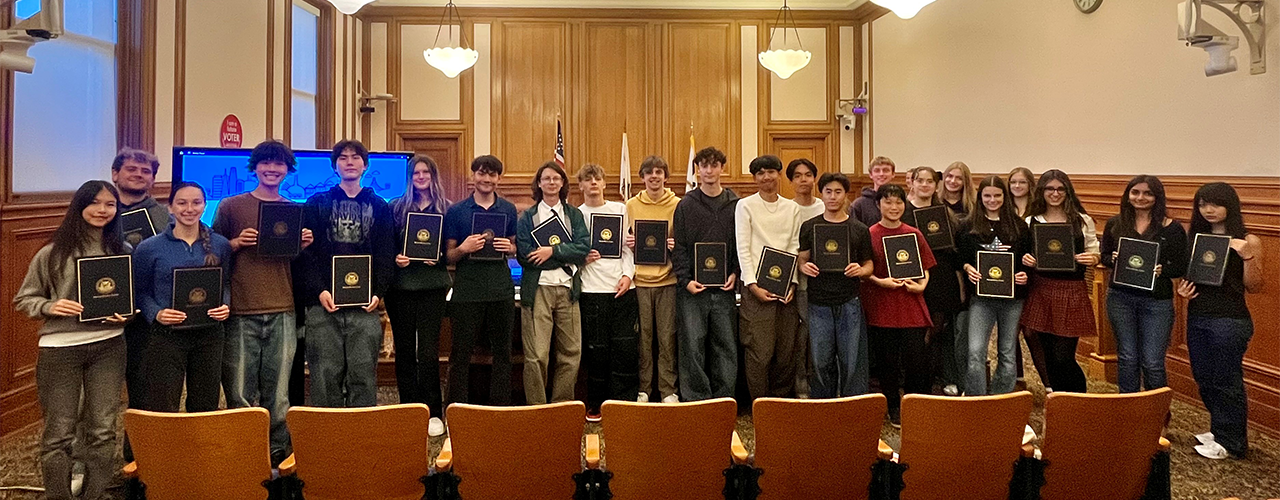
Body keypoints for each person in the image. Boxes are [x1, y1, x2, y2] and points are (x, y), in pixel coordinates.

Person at [14, 181, 132, 500]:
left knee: (103, 428)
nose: (102, 210)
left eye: (110, 204)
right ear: (80, 206)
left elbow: (128, 302)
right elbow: (24, 299)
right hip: (60, 349)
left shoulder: (123, 251)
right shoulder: (51, 253)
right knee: (59, 432)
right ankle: (59, 495)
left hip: (110, 345)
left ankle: (94, 494)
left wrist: (127, 314)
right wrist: (50, 305)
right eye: (95, 203)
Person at [213, 139, 313, 463]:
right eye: (266, 163)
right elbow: (212, 253)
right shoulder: (230, 206)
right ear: (255, 167)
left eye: (279, 164)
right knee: (240, 392)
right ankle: (243, 454)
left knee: (279, 394)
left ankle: (277, 456)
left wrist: (303, 244)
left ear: (287, 170)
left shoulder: (293, 208)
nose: (272, 169)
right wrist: (235, 242)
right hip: (241, 309)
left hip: (283, 308)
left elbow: (292, 260)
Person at [298, 140, 396, 408]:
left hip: (364, 308)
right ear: (335, 165)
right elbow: (306, 255)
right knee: (324, 376)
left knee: (363, 377)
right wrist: (320, 291)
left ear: (365, 165)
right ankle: (328, 441)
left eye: (355, 157)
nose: (349, 162)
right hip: (324, 305)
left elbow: (387, 255)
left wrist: (378, 293)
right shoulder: (316, 204)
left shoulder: (380, 206)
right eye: (343, 158)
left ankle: (361, 441)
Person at [1177, 182, 1264, 460]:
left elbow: (1256, 286)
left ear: (1230, 205)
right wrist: (1183, 291)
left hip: (1230, 320)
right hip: (1199, 315)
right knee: (1204, 378)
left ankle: (1233, 443)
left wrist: (1246, 256)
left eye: (1215, 203)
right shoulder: (1196, 239)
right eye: (1203, 204)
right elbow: (1188, 278)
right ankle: (1220, 430)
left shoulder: (1249, 240)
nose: (1209, 210)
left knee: (1227, 381)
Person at [133, 182, 233, 414]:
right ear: (170, 208)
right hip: (167, 336)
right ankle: (165, 451)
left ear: (205, 206)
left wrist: (225, 304)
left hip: (209, 333)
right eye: (182, 203)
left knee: (205, 404)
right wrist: (156, 313)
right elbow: (140, 292)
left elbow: (225, 282)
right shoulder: (149, 248)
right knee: (162, 403)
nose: (189, 209)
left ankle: (198, 450)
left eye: (196, 203)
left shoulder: (221, 245)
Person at [444, 155, 518, 406]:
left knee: (503, 355)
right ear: (473, 176)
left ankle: (500, 408)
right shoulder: (457, 211)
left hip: (501, 292)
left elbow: (515, 248)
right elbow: (448, 256)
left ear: (499, 178)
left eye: (492, 174)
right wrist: (464, 248)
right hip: (467, 293)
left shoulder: (508, 209)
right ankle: (456, 409)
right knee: (460, 355)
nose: (487, 179)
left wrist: (511, 247)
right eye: (482, 173)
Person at [1102, 175, 1187, 394]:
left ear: (1157, 197)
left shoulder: (1172, 229)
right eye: (1135, 192)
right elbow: (1104, 256)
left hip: (1157, 302)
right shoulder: (1115, 223)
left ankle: (1156, 415)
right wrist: (1112, 258)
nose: (1141, 197)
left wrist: (1163, 270)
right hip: (1120, 298)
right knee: (1127, 358)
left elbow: (1181, 266)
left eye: (1148, 193)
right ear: (1128, 195)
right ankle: (1129, 411)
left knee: (1153, 363)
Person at [110, 148, 169, 461]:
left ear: (153, 179)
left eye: (145, 171)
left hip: (146, 320)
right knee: (95, 401)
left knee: (143, 393)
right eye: (131, 169)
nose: (137, 175)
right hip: (100, 317)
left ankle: (137, 463)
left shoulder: (164, 216)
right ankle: (89, 469)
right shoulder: (98, 209)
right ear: (115, 174)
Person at [387, 155, 451, 436]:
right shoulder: (395, 207)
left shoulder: (447, 209)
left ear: (433, 176)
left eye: (426, 172)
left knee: (427, 352)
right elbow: (385, 246)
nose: (421, 176)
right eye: (416, 172)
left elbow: (449, 250)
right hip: (401, 287)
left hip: (433, 287)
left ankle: (433, 412)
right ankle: (408, 409)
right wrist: (395, 258)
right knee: (404, 351)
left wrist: (436, 256)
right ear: (409, 177)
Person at [1019, 170, 1099, 394]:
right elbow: (1022, 254)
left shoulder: (1082, 220)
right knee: (1047, 354)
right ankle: (1059, 403)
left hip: (1071, 290)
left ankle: (1078, 400)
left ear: (1067, 191)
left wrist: (1093, 257)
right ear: (1041, 191)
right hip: (1041, 289)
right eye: (1049, 189)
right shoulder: (1029, 221)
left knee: (1064, 357)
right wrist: (1026, 259)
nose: (1055, 193)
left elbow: (1094, 251)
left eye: (1060, 189)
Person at [516, 161, 590, 405]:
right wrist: (560, 257)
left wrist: (552, 251)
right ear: (539, 183)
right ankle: (537, 408)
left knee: (571, 353)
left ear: (562, 183)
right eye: (546, 178)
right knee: (537, 355)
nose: (551, 182)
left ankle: (562, 406)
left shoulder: (574, 214)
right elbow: (525, 255)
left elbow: (583, 247)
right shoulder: (528, 216)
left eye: (556, 178)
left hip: (568, 290)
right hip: (538, 290)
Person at [797, 173, 875, 398]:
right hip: (818, 302)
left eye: (838, 192)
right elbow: (802, 259)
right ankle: (823, 408)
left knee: (852, 362)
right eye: (828, 191)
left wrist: (861, 271)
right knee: (821, 362)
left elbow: (869, 264)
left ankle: (853, 408)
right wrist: (804, 267)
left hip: (849, 301)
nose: (833, 196)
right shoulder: (809, 226)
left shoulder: (859, 229)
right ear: (821, 194)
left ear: (845, 195)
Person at [863, 184, 934, 426]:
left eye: (898, 202)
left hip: (910, 302)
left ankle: (914, 403)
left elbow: (925, 266)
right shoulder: (869, 233)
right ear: (878, 204)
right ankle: (893, 405)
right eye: (888, 202)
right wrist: (879, 281)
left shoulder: (914, 233)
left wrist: (923, 284)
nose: (894, 207)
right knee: (888, 361)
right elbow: (863, 271)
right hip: (882, 304)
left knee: (916, 358)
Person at [672, 147, 740, 401]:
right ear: (697, 170)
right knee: (692, 347)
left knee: (726, 346)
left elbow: (740, 244)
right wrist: (685, 280)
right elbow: (678, 246)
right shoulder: (686, 205)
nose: (709, 170)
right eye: (704, 166)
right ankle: (697, 400)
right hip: (692, 290)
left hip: (724, 289)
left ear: (722, 168)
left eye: (714, 165)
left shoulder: (736, 204)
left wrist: (735, 273)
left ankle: (724, 399)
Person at [735, 155, 804, 400]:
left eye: (771, 172)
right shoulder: (745, 206)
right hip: (757, 288)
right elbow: (743, 247)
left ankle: (780, 403)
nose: (766, 177)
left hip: (786, 288)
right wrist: (751, 284)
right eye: (760, 173)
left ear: (778, 174)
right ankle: (760, 405)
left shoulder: (792, 208)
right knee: (759, 351)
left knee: (785, 351)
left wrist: (793, 283)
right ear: (755, 178)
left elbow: (795, 247)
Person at [576, 164, 639, 419]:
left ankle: (624, 402)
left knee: (625, 348)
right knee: (596, 350)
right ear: (580, 185)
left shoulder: (620, 210)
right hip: (591, 290)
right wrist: (581, 258)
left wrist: (627, 275)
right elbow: (568, 254)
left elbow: (628, 249)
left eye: (597, 179)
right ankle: (596, 403)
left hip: (623, 288)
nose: (593, 183)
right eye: (587, 179)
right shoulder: (575, 215)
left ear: (604, 184)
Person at [959, 176, 1031, 396]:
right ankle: (976, 399)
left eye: (997, 195)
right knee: (975, 351)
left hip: (1012, 299)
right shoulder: (968, 225)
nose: (992, 200)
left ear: (1004, 196)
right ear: (980, 197)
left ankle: (1002, 398)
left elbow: (1027, 259)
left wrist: (1024, 274)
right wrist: (967, 267)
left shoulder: (1018, 226)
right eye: (987, 195)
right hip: (981, 299)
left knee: (1007, 352)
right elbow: (959, 257)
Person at [903, 166, 965, 397]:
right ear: (912, 183)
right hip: (913, 279)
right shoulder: (904, 212)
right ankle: (914, 386)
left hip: (941, 278)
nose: (925, 185)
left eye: (930, 181)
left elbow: (955, 252)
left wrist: (959, 285)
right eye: (921, 180)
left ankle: (930, 384)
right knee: (916, 335)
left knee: (936, 331)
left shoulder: (945, 213)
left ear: (936, 185)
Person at [625, 156, 681, 403]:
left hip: (668, 281)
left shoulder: (678, 204)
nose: (654, 176)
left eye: (659, 172)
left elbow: (685, 244)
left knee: (667, 339)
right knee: (643, 339)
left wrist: (674, 245)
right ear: (642, 178)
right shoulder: (631, 205)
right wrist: (628, 242)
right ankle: (644, 389)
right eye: (649, 173)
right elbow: (624, 244)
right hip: (640, 282)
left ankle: (668, 390)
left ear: (666, 177)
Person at [787, 158, 825, 398]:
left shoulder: (824, 206)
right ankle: (801, 383)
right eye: (798, 175)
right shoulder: (787, 207)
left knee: (819, 334)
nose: (803, 179)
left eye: (808, 174)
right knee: (801, 334)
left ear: (814, 179)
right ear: (790, 180)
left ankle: (821, 383)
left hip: (824, 282)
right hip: (797, 282)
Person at [1005, 166, 1042, 387]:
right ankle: (1017, 379)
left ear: (1030, 185)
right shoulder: (1003, 209)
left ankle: (1048, 384)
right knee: (1010, 334)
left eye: (1022, 182)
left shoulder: (1039, 211)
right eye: (1013, 183)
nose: (1017, 187)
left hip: (1035, 279)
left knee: (1032, 332)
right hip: (1009, 280)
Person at [849, 156, 895, 227]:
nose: (881, 174)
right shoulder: (858, 205)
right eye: (877, 171)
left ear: (893, 174)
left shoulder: (901, 201)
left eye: (886, 170)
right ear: (871, 175)